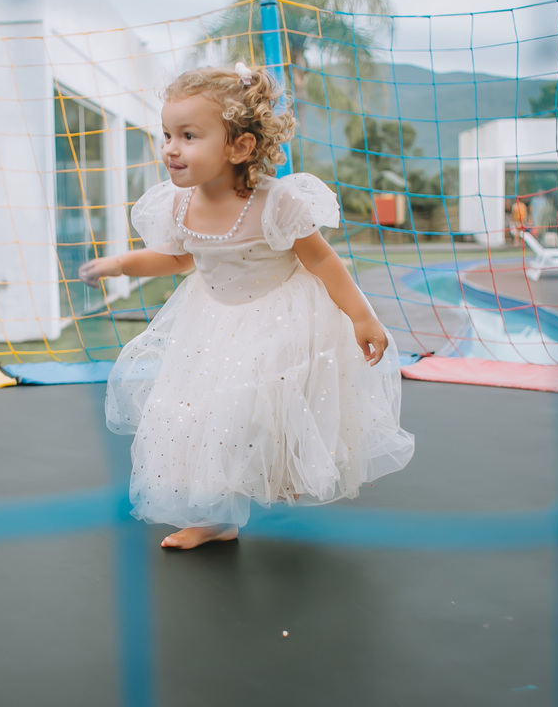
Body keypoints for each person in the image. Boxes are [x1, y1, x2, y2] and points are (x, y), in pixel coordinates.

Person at [79, 64, 414, 550]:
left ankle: (282, 472)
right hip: (212, 319)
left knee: (258, 409)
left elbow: (322, 261)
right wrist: (118, 263)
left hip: (283, 317)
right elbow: (176, 259)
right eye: (167, 134)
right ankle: (218, 517)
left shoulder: (277, 203)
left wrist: (362, 316)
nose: (171, 147)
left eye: (189, 135)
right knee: (197, 417)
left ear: (239, 147)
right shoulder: (178, 205)